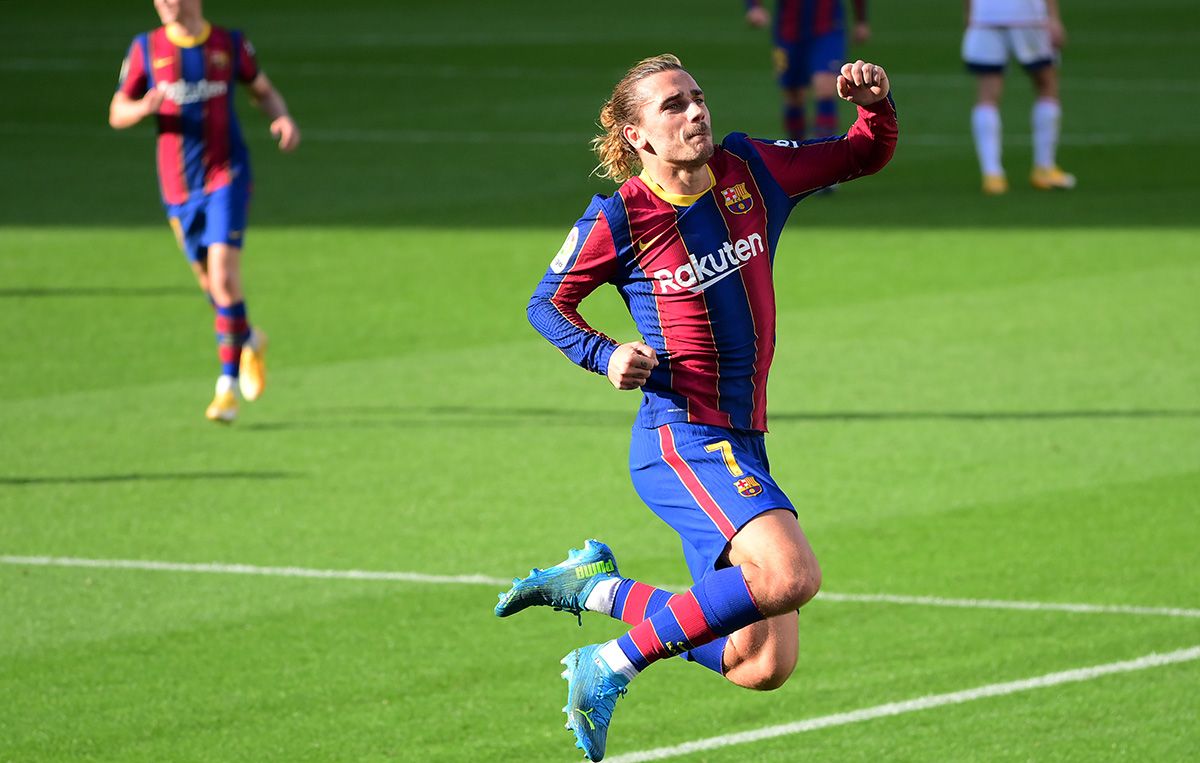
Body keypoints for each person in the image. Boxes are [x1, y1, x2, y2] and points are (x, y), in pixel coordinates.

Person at [497, 54, 896, 761]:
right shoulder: (620, 217)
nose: (695, 112)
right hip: (681, 439)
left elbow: (863, 154)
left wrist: (875, 107)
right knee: (791, 575)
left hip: (742, 440)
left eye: (698, 97)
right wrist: (604, 354)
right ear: (638, 136)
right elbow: (545, 303)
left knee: (760, 664)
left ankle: (598, 587)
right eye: (673, 106)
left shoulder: (751, 170)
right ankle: (610, 664)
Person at [109, 0, 300, 422]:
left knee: (224, 278)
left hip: (226, 174)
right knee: (210, 286)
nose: (163, 3)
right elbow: (116, 111)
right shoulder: (146, 48)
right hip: (178, 184)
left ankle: (227, 387)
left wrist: (282, 118)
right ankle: (249, 338)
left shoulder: (229, 44)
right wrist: (143, 108)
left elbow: (262, 90)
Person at [962, 0, 1075, 194]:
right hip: (1027, 16)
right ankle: (1044, 168)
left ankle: (992, 176)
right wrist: (1054, 17)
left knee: (987, 93)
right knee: (1046, 84)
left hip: (985, 16)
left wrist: (970, 13)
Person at [746, 0, 870, 144]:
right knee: (794, 96)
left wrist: (861, 20)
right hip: (788, 30)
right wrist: (754, 7)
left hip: (828, 28)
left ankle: (824, 153)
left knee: (825, 88)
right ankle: (795, 153)